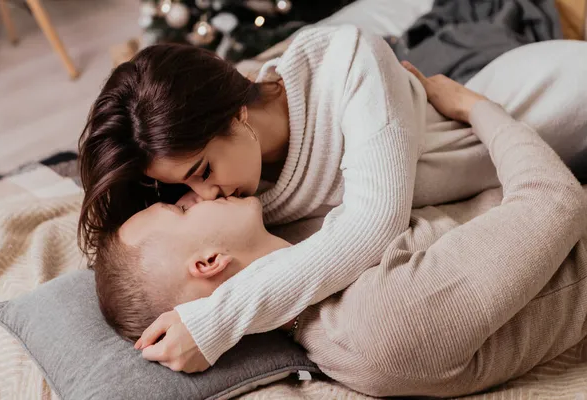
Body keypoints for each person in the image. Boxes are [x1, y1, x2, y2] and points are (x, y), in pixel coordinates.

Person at [78, 24, 587, 369]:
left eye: (203, 170)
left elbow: (374, 223)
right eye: (181, 190)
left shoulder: (347, 58)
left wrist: (216, 320)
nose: (203, 196)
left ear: (237, 113)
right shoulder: (241, 206)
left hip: (551, 103)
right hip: (518, 168)